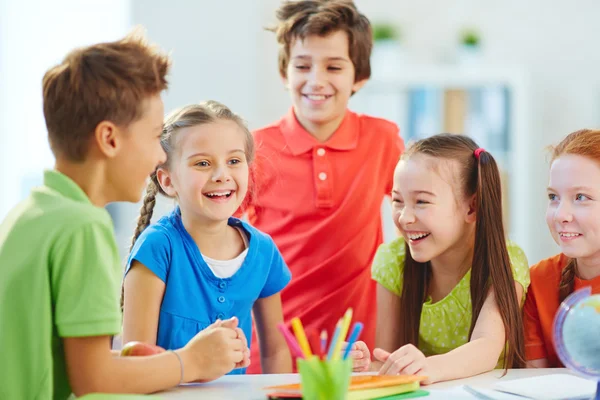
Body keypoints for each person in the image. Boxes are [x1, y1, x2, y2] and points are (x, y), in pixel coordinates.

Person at [0, 31, 248, 399]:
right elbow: (94, 381)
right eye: (152, 137)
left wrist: (134, 362)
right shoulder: (83, 227)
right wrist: (189, 362)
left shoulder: (30, 213)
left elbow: (71, 363)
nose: (160, 157)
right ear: (110, 140)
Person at [241, 0, 405, 372]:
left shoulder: (382, 140)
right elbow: (223, 244)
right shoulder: (252, 150)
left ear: (358, 76)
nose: (316, 80)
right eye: (302, 66)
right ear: (285, 73)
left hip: (355, 353)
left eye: (333, 66)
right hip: (269, 355)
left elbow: (413, 219)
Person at [122, 101, 293, 374]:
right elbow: (135, 359)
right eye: (202, 163)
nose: (221, 175)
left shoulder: (263, 251)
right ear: (167, 181)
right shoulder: (157, 248)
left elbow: (276, 350)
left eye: (234, 161)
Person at [351, 134, 530, 384]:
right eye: (397, 201)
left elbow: (486, 347)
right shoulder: (393, 261)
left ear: (472, 207)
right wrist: (364, 365)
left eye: (421, 202)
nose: (404, 218)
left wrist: (425, 367)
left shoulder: (504, 260)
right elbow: (387, 357)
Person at [525, 129, 600, 368]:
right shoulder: (537, 281)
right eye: (553, 197)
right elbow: (535, 383)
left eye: (580, 197)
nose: (560, 215)